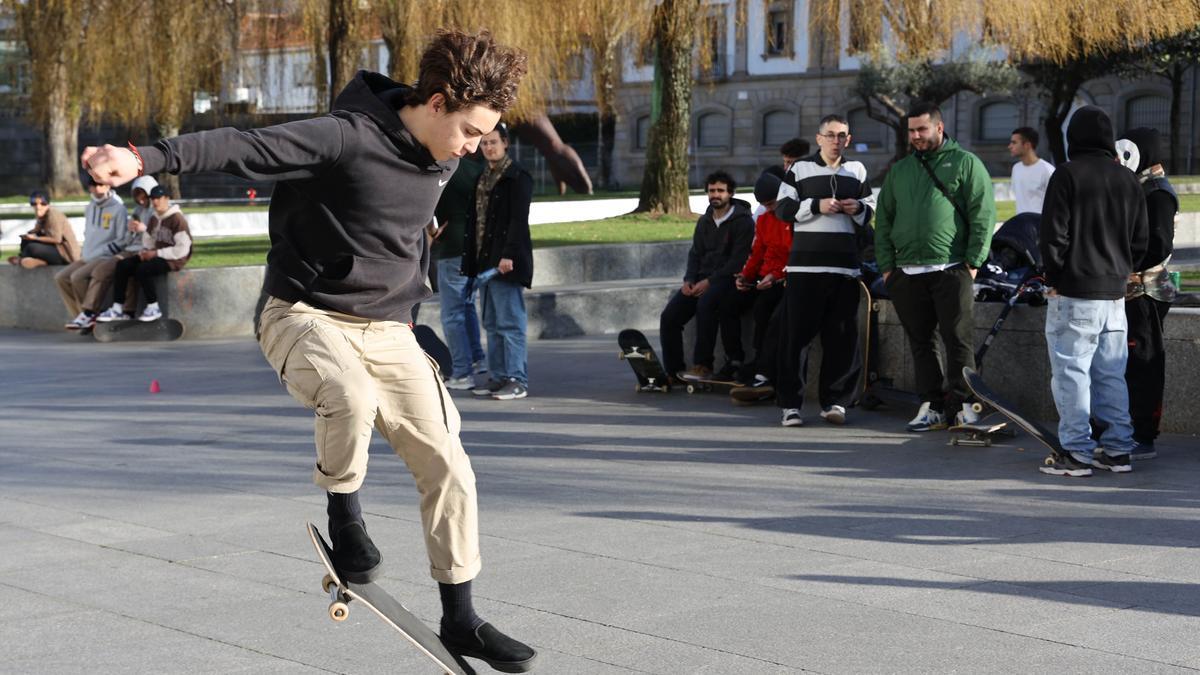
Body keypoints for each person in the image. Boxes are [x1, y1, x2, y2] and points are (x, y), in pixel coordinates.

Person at [80, 30, 537, 671]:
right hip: (302, 314)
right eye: (467, 130)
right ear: (435, 104)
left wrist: (413, 310)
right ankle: (345, 516)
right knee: (348, 394)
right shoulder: (344, 136)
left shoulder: (445, 158)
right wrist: (145, 157)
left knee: (451, 468)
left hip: (388, 330)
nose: (471, 146)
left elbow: (406, 233)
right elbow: (245, 146)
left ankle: (460, 618)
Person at [1038, 106, 1148, 476]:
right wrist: (1119, 271)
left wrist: (1053, 277)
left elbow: (1054, 235)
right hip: (1114, 295)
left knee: (1072, 373)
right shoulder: (1129, 179)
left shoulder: (1066, 175)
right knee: (1111, 374)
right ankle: (1118, 450)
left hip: (1074, 291)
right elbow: (1141, 242)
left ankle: (1077, 453)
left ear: (1073, 138)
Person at [875, 101, 995, 432]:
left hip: (951, 268)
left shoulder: (965, 163)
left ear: (939, 128)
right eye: (911, 131)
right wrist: (888, 268)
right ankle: (933, 406)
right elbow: (883, 221)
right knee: (920, 341)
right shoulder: (900, 170)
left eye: (921, 129)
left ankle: (966, 405)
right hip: (907, 273)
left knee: (958, 340)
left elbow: (983, 214)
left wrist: (972, 263)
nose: (915, 136)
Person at [771, 114, 874, 427]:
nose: (835, 141)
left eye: (841, 135)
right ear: (818, 139)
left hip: (844, 269)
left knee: (842, 338)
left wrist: (858, 209)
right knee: (795, 339)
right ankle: (790, 405)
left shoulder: (857, 170)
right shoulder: (799, 170)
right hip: (805, 269)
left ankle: (835, 403)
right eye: (830, 135)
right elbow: (783, 210)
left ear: (848, 139)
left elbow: (870, 209)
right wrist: (816, 205)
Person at [659, 171, 755, 382]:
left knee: (706, 304)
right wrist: (688, 280)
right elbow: (695, 254)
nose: (715, 195)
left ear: (730, 193)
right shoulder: (704, 221)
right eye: (712, 191)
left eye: (720, 191)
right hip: (700, 279)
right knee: (669, 317)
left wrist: (709, 281)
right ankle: (673, 370)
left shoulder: (743, 222)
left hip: (727, 279)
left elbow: (737, 261)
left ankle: (703, 365)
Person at [463, 123, 534, 401]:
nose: (488, 147)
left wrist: (509, 256)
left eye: (493, 142)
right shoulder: (483, 177)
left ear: (505, 143)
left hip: (505, 264)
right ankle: (498, 376)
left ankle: (517, 379)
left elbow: (518, 221)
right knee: (491, 324)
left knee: (510, 324)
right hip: (485, 262)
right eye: (484, 143)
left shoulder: (517, 177)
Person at [1119, 127, 1176, 462]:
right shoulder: (1143, 187)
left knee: (1144, 361)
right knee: (1131, 362)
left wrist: (1124, 263)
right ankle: (1131, 427)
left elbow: (1159, 245)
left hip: (1148, 289)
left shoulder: (1157, 192)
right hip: (1138, 288)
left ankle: (1143, 433)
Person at [66, 176, 158, 329]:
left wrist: (144, 229)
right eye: (136, 194)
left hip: (146, 251)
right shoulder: (137, 211)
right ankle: (113, 311)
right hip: (131, 249)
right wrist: (132, 230)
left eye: (143, 194)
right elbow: (128, 239)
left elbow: (162, 235)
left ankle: (92, 312)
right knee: (120, 268)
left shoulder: (156, 212)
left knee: (105, 270)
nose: (140, 198)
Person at [731, 168, 792, 396]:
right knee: (754, 308)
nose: (769, 209)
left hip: (788, 279)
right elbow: (758, 252)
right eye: (765, 205)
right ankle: (753, 361)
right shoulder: (765, 221)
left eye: (772, 203)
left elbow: (793, 253)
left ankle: (766, 370)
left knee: (775, 316)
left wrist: (776, 276)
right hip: (769, 278)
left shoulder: (792, 217)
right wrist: (745, 276)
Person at [431, 153, 487, 390]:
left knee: (452, 314)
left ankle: (462, 372)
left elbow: (429, 206)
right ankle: (477, 358)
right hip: (473, 246)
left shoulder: (441, 170)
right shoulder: (475, 171)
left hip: (452, 245)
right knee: (467, 306)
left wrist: (432, 230)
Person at [96, 185, 191, 323]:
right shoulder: (154, 217)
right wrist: (145, 252)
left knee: (143, 269)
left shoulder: (177, 219)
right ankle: (117, 307)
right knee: (123, 265)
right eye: (153, 199)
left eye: (158, 198)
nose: (155, 202)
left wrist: (155, 253)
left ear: (167, 199)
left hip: (174, 259)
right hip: (156, 254)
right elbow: (149, 240)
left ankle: (153, 306)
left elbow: (182, 250)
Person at [54, 176, 129, 329]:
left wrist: (104, 250)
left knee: (77, 277)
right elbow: (88, 232)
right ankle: (80, 315)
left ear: (108, 186)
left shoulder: (118, 208)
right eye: (93, 185)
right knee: (61, 277)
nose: (97, 188)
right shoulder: (89, 207)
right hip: (88, 254)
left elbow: (122, 239)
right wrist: (85, 251)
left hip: (104, 256)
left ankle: (90, 314)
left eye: (101, 185)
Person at [9, 191, 79, 269]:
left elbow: (57, 239)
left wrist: (35, 238)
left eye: (42, 203)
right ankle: (36, 261)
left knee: (32, 247)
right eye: (34, 204)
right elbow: (36, 231)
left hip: (64, 254)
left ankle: (24, 260)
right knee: (26, 239)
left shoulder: (54, 215)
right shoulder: (43, 216)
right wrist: (38, 222)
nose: (38, 207)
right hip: (54, 249)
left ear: (48, 204)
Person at [1008, 126, 1055, 215]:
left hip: (1040, 225)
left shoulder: (1047, 170)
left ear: (1027, 145)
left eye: (1014, 143)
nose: (1010, 146)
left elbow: (1056, 202)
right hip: (1021, 224)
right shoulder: (1016, 168)